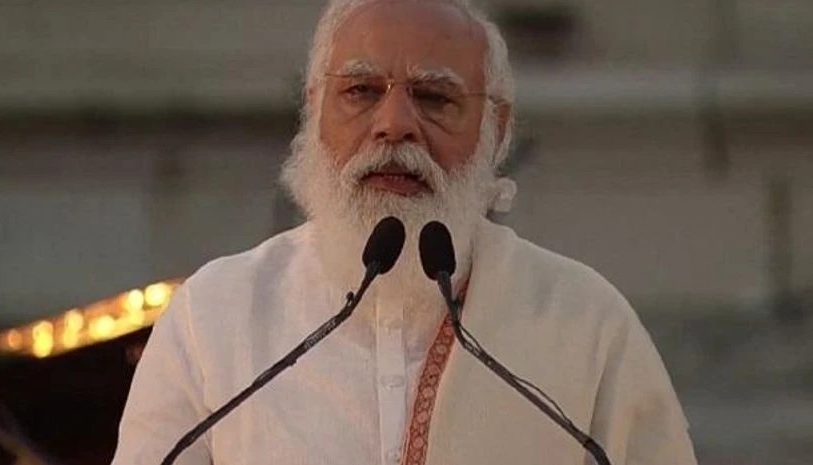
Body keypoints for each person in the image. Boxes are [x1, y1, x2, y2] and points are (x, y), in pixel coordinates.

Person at [112, 0, 698, 464]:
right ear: (314, 109)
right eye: (361, 92)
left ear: (496, 128)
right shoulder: (212, 317)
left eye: (434, 97)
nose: (394, 125)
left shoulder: (587, 322)